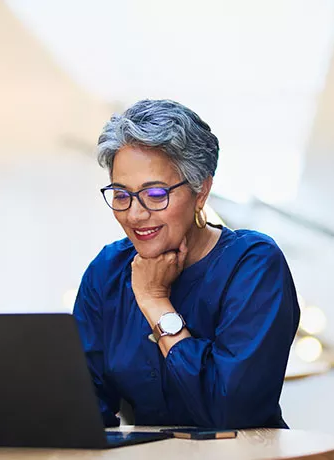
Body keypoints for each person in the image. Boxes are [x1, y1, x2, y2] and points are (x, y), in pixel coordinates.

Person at [72, 99, 300, 430]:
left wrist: (154, 301)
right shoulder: (107, 270)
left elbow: (230, 413)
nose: (135, 214)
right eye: (121, 195)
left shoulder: (254, 265)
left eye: (155, 194)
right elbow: (83, 402)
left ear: (201, 191)